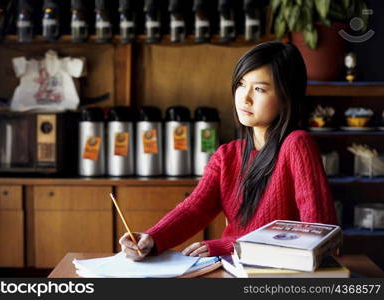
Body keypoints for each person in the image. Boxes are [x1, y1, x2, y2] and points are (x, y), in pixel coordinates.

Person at [119, 41, 337, 261]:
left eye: (259, 89)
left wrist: (233, 246)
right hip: (232, 269)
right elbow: (195, 209)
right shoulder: (227, 155)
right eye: (241, 84)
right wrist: (152, 238)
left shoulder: (297, 144)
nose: (245, 97)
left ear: (286, 97)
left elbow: (318, 232)